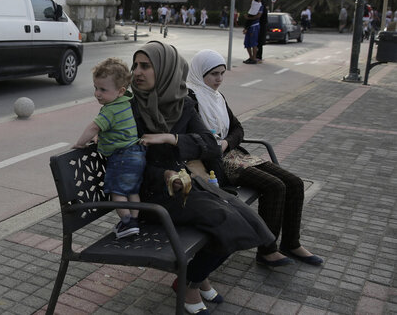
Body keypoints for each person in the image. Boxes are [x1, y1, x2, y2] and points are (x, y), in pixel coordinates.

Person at [130, 41, 274, 314]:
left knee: (251, 221)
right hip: (152, 195)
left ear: (165, 70)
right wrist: (166, 173)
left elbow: (210, 146)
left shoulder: (183, 104)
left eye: (145, 66)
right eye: (135, 65)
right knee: (228, 222)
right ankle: (191, 282)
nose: (137, 72)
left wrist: (173, 139)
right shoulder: (130, 109)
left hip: (185, 184)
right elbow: (128, 165)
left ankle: (195, 276)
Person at [187, 49, 324, 268]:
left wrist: (226, 143)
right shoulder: (191, 98)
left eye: (222, 73)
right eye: (213, 74)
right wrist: (219, 148)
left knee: (295, 184)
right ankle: (267, 251)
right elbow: (193, 139)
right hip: (215, 165)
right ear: (199, 72)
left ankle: (291, 243)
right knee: (274, 186)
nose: (219, 79)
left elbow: (238, 129)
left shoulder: (217, 97)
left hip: (233, 155)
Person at [73, 58, 146, 239]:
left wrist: (80, 143)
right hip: (136, 154)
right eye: (96, 88)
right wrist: (101, 137)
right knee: (133, 191)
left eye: (103, 90)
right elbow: (115, 129)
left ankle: (127, 223)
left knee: (117, 193)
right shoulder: (124, 103)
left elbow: (94, 127)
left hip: (121, 157)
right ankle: (134, 220)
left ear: (120, 91)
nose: (97, 93)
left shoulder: (109, 110)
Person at [242, 0, 263, 64]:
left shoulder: (260, 6)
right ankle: (250, 57)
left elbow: (258, 16)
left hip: (254, 26)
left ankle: (254, 58)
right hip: (249, 26)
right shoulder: (254, 3)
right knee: (247, 43)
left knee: (253, 43)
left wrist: (248, 18)